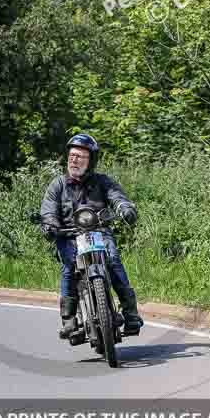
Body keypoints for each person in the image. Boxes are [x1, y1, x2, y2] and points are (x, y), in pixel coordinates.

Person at [39, 133, 144, 339]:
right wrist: (50, 224)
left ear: (91, 161)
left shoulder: (102, 182)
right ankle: (69, 320)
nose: (75, 160)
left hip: (99, 231)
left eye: (81, 157)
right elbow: (49, 210)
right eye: (72, 156)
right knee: (69, 268)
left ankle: (131, 314)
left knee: (113, 261)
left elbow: (117, 196)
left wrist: (124, 208)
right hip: (68, 236)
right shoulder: (57, 185)